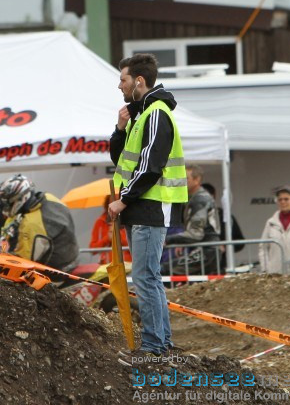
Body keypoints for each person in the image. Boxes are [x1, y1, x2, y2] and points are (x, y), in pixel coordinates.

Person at [108, 53, 188, 356]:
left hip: (151, 205)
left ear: (138, 81)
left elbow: (151, 166)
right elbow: (121, 159)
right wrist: (118, 129)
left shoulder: (155, 113)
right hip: (143, 205)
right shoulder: (141, 115)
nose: (119, 86)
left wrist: (123, 200)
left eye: (123, 79)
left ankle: (155, 346)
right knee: (147, 276)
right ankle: (161, 343)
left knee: (145, 277)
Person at [0, 174, 79, 272]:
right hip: (71, 259)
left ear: (21, 198)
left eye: (8, 203)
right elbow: (7, 232)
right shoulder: (47, 198)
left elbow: (24, 261)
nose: (6, 206)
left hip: (56, 271)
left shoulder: (32, 224)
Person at [164, 163, 222, 275]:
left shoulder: (200, 200)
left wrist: (168, 240)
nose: (182, 182)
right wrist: (181, 243)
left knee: (165, 269)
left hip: (207, 252)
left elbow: (196, 234)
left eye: (186, 178)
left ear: (197, 180)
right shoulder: (195, 198)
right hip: (205, 250)